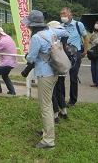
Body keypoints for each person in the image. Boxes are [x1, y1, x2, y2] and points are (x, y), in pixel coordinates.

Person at [23, 11, 69, 149]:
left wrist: (27, 56)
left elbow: (31, 58)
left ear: (33, 25)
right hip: (54, 71)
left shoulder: (37, 38)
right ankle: (47, 130)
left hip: (45, 75)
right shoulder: (51, 30)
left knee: (46, 106)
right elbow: (65, 33)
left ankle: (48, 141)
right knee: (48, 103)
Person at [60, 7, 89, 108]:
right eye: (61, 14)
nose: (62, 16)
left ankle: (72, 101)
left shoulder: (78, 25)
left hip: (75, 55)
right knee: (61, 77)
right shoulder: (61, 26)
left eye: (64, 14)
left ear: (70, 15)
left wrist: (85, 51)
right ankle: (61, 99)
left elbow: (86, 38)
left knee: (73, 78)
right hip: (63, 54)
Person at [47, 21, 69, 123]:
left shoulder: (52, 38)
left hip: (55, 68)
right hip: (63, 68)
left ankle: (55, 115)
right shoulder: (63, 39)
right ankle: (64, 112)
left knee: (53, 92)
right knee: (60, 90)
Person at [0, 26, 17, 95]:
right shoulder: (7, 37)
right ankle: (12, 91)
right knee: (4, 76)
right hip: (12, 62)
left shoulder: (3, 41)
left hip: (7, 62)